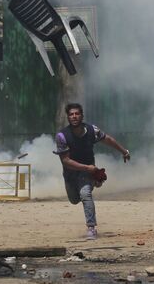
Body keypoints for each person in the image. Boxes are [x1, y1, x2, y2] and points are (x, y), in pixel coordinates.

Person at [54, 103, 131, 240]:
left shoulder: (92, 130)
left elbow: (107, 139)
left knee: (85, 194)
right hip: (71, 173)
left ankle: (91, 228)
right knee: (74, 199)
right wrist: (87, 168)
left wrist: (123, 151)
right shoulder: (62, 136)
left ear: (82, 115)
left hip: (88, 171)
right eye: (71, 114)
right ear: (68, 117)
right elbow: (65, 161)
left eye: (77, 113)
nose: (74, 116)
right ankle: (95, 181)